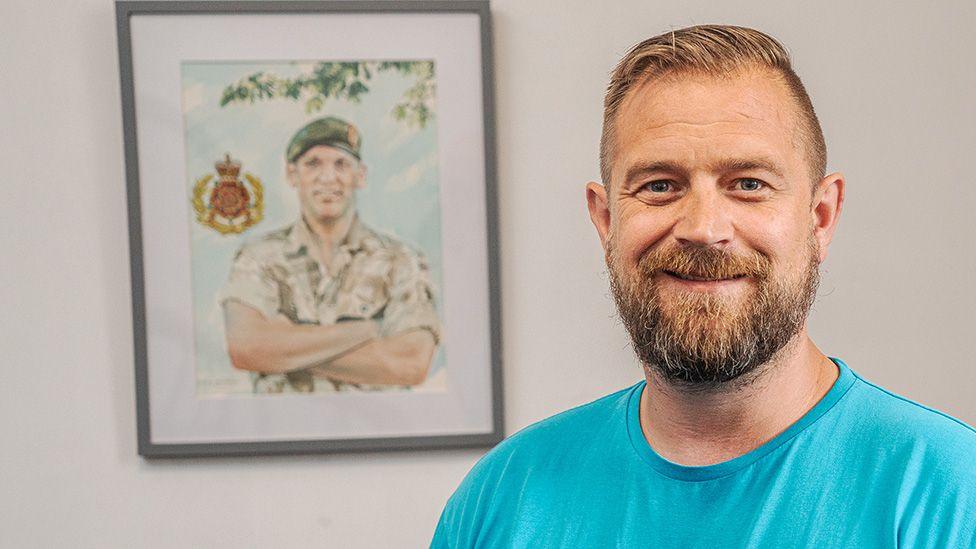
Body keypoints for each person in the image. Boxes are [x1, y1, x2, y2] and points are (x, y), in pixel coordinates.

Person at [431, 25, 976, 547]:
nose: (703, 229)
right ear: (605, 221)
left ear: (821, 217)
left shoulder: (950, 495)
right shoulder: (502, 499)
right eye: (660, 186)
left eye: (748, 184)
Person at [218, 116, 441, 393]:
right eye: (313, 164)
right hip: (278, 430)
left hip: (380, 430)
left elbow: (411, 364)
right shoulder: (259, 257)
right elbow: (246, 348)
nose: (327, 177)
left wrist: (284, 346)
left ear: (360, 175)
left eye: (341, 164)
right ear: (292, 175)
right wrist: (368, 331)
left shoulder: (400, 259)